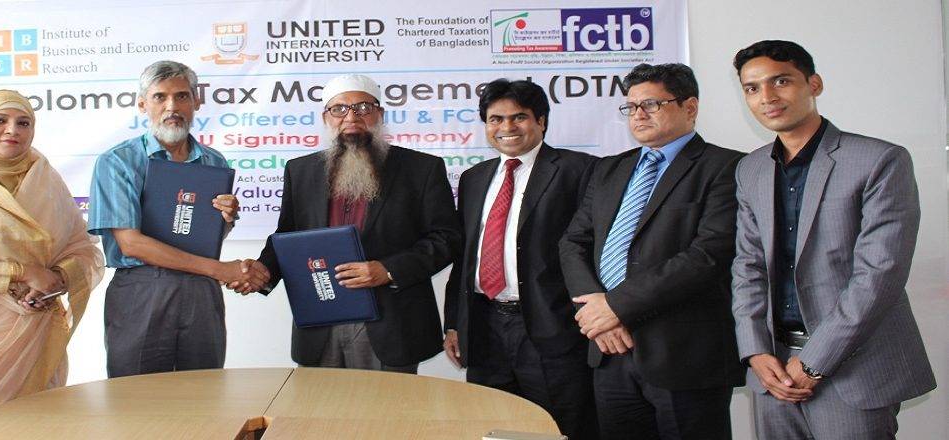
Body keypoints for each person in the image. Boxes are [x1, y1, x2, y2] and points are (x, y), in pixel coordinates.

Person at [731, 40, 936, 439]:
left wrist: (814, 361)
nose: (767, 97)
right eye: (752, 88)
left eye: (781, 81)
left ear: (814, 84)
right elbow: (747, 266)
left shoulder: (879, 160)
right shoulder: (751, 169)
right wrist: (755, 351)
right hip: (773, 366)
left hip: (852, 364)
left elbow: (880, 274)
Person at [558, 63, 745, 439]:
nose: (638, 115)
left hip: (684, 356)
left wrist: (615, 307)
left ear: (690, 107)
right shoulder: (609, 170)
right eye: (631, 107)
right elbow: (573, 242)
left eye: (651, 104)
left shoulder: (727, 166)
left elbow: (707, 256)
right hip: (609, 352)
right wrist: (597, 309)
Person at [235, 73, 461, 373]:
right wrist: (262, 271)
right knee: (320, 403)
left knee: (384, 405)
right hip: (320, 319)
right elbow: (287, 237)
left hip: (390, 323)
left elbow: (446, 238)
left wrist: (387, 270)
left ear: (379, 114)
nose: (351, 117)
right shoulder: (300, 171)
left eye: (363, 108)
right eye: (339, 109)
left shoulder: (421, 168)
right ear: (325, 117)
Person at [442, 79, 598, 439]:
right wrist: (455, 322)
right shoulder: (474, 178)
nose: (507, 127)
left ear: (541, 121)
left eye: (519, 117)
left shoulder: (579, 170)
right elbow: (465, 258)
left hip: (551, 328)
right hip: (484, 327)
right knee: (492, 426)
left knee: (559, 427)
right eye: (495, 119)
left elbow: (591, 249)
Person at [88, 60, 263, 378]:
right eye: (160, 97)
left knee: (204, 391)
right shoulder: (118, 161)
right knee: (136, 395)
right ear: (143, 104)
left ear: (196, 101)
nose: (172, 107)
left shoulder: (213, 161)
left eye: (182, 96)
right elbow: (131, 244)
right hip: (142, 288)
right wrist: (220, 270)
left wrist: (225, 217)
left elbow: (202, 237)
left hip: (201, 290)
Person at [0, 89, 104, 410]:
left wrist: (57, 278)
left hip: (38, 327)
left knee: (38, 419)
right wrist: (19, 274)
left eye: (24, 123)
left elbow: (82, 247)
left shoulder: (46, 179)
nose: (13, 130)